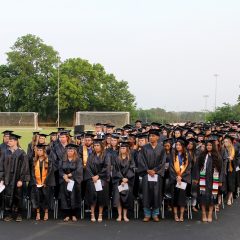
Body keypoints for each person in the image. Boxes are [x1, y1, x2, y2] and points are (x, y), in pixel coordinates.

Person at [0, 133, 30, 222]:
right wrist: (1, 178)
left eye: (11, 140)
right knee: (7, 196)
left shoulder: (22, 153)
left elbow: (25, 167)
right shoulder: (5, 152)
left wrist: (21, 179)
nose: (9, 142)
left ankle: (18, 214)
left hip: (17, 179)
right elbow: (1, 166)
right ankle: (8, 214)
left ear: (16, 141)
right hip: (7, 179)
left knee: (18, 196)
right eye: (8, 140)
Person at [138, 129, 165, 222]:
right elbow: (141, 161)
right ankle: (147, 214)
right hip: (146, 174)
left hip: (157, 175)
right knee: (146, 194)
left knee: (157, 194)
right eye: (150, 136)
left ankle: (155, 214)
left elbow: (163, 162)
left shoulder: (161, 148)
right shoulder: (144, 148)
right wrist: (147, 170)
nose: (151, 137)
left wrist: (155, 170)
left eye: (153, 136)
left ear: (157, 137)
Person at [196, 139, 223, 222]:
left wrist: (220, 181)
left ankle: (210, 213)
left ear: (213, 146)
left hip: (213, 180)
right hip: (203, 180)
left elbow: (221, 169)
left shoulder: (218, 156)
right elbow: (197, 168)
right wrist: (197, 178)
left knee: (212, 197)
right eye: (207, 145)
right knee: (203, 197)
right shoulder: (202, 156)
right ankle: (204, 213)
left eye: (210, 145)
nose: (208, 146)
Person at [85, 139, 111, 222]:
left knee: (101, 197)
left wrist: (98, 176)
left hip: (102, 179)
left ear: (101, 146)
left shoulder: (106, 155)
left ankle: (100, 214)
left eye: (98, 145)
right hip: (92, 179)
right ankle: (92, 214)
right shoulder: (91, 156)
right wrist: (93, 177)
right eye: (95, 146)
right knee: (92, 196)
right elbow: (88, 167)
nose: (96, 147)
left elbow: (107, 167)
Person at [30, 144, 55, 221]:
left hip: (46, 183)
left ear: (44, 151)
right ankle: (38, 213)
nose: (39, 152)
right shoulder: (34, 160)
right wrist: (35, 181)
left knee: (46, 198)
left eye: (41, 150)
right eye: (38, 150)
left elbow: (50, 173)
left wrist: (45, 182)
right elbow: (32, 173)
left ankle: (46, 212)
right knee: (37, 197)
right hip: (37, 183)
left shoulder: (48, 160)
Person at [59, 144, 83, 222]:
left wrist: (69, 175)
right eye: (68, 150)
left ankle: (74, 215)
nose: (70, 152)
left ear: (74, 151)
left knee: (74, 197)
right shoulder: (62, 160)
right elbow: (60, 170)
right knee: (65, 197)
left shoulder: (78, 160)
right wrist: (64, 176)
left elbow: (79, 170)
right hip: (64, 181)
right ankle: (66, 215)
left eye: (71, 150)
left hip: (75, 181)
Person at [112, 141, 135, 222]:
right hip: (118, 181)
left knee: (126, 199)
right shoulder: (116, 159)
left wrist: (126, 179)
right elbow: (115, 170)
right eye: (121, 148)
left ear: (127, 149)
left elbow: (132, 169)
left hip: (127, 181)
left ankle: (125, 215)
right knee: (118, 199)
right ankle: (119, 215)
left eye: (124, 148)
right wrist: (122, 178)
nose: (122, 149)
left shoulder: (130, 159)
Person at [170, 137, 191, 222]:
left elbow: (189, 168)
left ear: (183, 146)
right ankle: (175, 215)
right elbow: (171, 167)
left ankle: (181, 215)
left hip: (183, 180)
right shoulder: (172, 154)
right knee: (175, 198)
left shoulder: (187, 155)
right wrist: (176, 176)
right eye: (177, 145)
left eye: (179, 145)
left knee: (182, 198)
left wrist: (181, 177)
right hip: (174, 179)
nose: (178, 146)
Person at [222, 135, 240, 205]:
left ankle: (229, 198)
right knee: (223, 184)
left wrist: (233, 160)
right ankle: (221, 199)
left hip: (232, 169)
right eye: (224, 142)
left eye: (226, 142)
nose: (225, 143)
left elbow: (238, 159)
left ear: (230, 142)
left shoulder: (235, 149)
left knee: (231, 184)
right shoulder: (222, 149)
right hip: (224, 168)